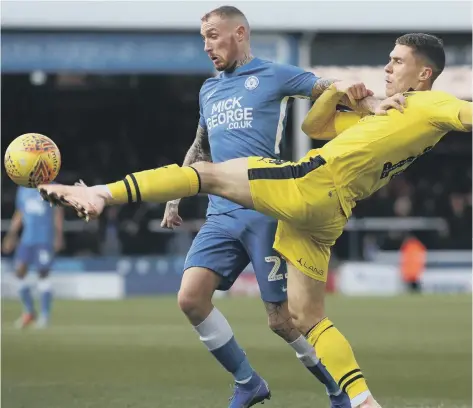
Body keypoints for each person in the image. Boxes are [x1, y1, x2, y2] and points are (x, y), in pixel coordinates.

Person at [39, 33, 472, 408]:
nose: (387, 66)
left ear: (424, 75)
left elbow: (464, 115)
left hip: (310, 183)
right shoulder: (388, 111)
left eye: (398, 60)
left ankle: (99, 194)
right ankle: (363, 401)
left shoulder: (430, 102)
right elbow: (318, 126)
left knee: (206, 175)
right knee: (307, 318)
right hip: (329, 213)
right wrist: (342, 96)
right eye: (389, 58)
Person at [2, 186, 64, 328]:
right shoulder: (23, 190)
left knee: (43, 274)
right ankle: (29, 311)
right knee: (19, 272)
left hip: (44, 239)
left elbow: (58, 211)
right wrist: (11, 235)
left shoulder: (51, 187)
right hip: (27, 239)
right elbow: (20, 213)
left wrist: (58, 235)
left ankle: (45, 315)